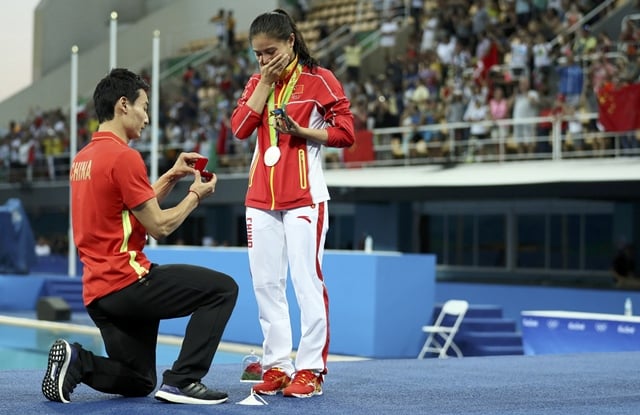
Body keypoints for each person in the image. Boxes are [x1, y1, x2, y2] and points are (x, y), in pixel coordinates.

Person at [41, 68, 238, 405]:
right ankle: (183, 380)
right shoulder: (124, 156)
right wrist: (195, 196)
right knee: (222, 290)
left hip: (99, 295)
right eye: (144, 107)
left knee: (139, 379)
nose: (147, 118)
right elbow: (158, 225)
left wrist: (173, 175)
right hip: (129, 281)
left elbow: (132, 207)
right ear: (123, 105)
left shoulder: (82, 159)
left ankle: (78, 361)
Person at [230, 9, 355, 398]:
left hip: (304, 197)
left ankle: (311, 369)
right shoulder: (256, 83)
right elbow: (239, 129)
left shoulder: (320, 80)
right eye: (258, 55)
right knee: (267, 284)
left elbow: (346, 132)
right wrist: (264, 84)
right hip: (260, 198)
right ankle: (278, 365)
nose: (264, 60)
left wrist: (303, 131)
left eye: (270, 51)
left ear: (290, 42)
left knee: (306, 281)